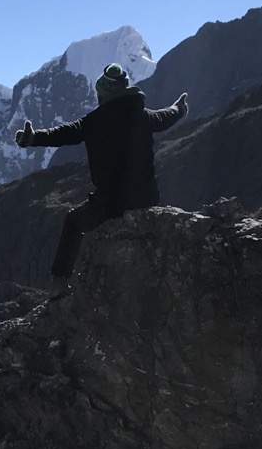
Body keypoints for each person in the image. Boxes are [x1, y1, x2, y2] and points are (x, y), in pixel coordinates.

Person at [14, 63, 188, 289]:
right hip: (147, 199)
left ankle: (60, 283)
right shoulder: (143, 116)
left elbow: (64, 133)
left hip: (110, 204)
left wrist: (33, 138)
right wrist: (179, 109)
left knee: (74, 222)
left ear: (103, 94)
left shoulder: (94, 121)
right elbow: (166, 117)